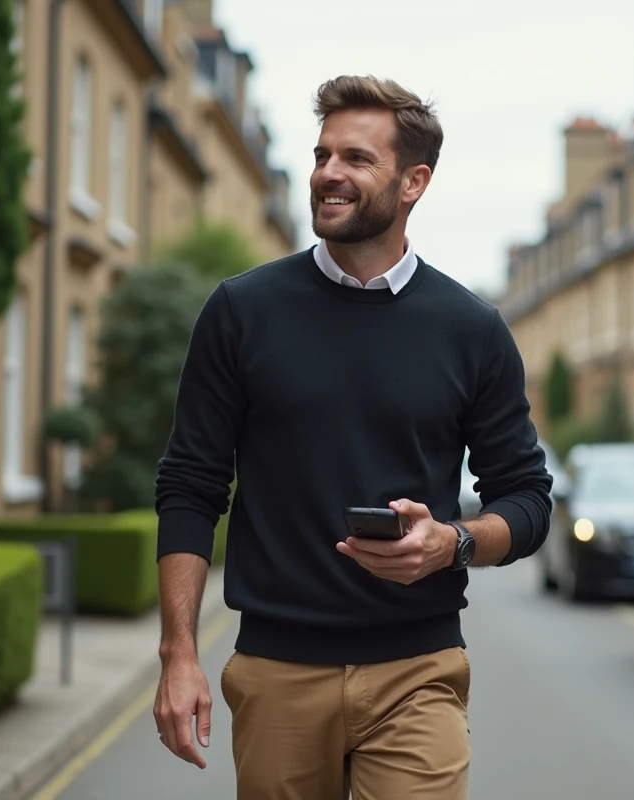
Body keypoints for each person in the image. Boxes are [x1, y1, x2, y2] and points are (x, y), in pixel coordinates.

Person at [151, 74, 553, 799]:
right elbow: (190, 483)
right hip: (277, 671)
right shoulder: (241, 312)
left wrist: (452, 543)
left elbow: (527, 500)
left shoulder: (473, 332)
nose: (329, 173)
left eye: (357, 159)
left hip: (417, 670)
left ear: (413, 182)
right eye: (322, 154)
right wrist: (178, 653)